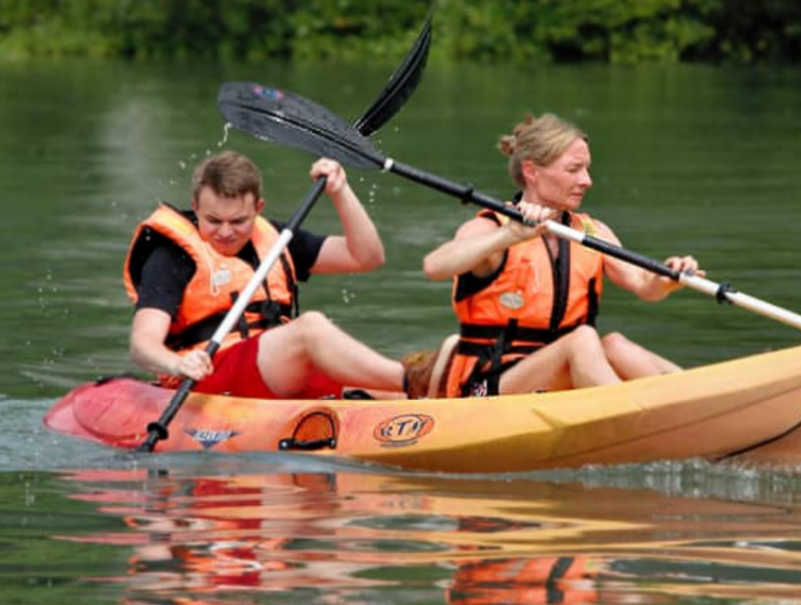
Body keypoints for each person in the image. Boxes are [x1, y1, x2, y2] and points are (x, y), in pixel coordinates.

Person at [421, 113, 699, 398]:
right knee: (581, 340)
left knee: (615, 344)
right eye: (574, 169)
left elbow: (644, 285)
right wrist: (509, 236)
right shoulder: (493, 227)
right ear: (531, 171)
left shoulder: (592, 231)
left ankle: (694, 400)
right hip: (487, 386)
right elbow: (434, 266)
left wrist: (666, 278)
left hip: (555, 380)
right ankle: (640, 414)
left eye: (587, 169)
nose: (587, 180)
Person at [126, 150, 419, 399]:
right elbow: (142, 345)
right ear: (195, 208)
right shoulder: (171, 256)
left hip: (278, 370)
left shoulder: (277, 239)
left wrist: (340, 192)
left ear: (258, 209)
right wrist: (178, 365)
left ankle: (429, 389)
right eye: (214, 220)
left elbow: (367, 257)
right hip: (209, 376)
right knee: (311, 327)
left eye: (239, 221)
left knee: (389, 392)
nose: (225, 232)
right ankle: (416, 379)